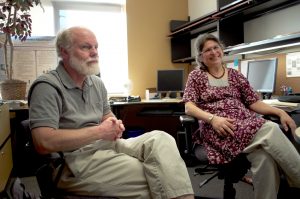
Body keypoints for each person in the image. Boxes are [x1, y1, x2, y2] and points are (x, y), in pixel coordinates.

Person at [28, 26, 194, 199]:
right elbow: (43, 142)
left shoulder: (96, 83)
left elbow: (107, 116)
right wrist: (100, 131)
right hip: (74, 160)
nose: (94, 52)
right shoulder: (46, 86)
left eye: (96, 47)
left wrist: (115, 125)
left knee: (162, 139)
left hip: (106, 146)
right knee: (158, 173)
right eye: (86, 47)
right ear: (64, 52)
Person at [182, 33, 300, 199]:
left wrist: (280, 111)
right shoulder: (196, 76)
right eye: (208, 50)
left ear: (221, 50)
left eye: (216, 47)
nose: (214, 52)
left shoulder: (235, 74)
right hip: (220, 129)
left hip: (245, 126)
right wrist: (213, 119)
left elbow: (253, 103)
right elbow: (189, 107)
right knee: (270, 128)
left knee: (264, 159)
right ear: (201, 56)